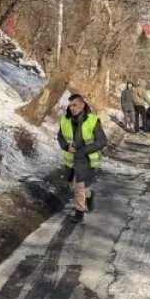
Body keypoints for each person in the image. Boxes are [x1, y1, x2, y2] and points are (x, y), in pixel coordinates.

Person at [57, 94, 108, 223]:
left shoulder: (92, 120)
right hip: (70, 159)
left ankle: (79, 212)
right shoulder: (64, 119)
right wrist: (67, 146)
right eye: (70, 105)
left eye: (75, 105)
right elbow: (60, 137)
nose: (72, 108)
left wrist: (83, 150)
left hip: (86, 159)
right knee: (72, 187)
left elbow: (102, 141)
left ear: (82, 105)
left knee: (79, 186)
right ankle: (90, 195)